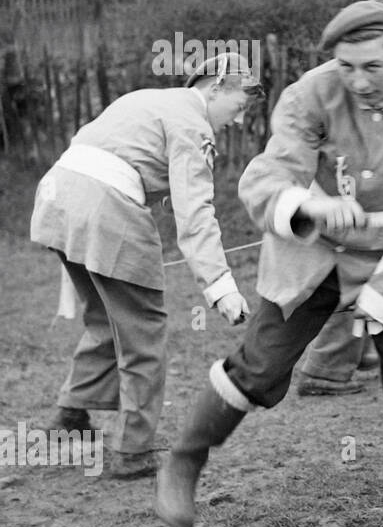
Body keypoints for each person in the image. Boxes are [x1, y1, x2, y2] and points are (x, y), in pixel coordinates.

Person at [155, 0, 383, 527]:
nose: (357, 80)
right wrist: (312, 205)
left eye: (371, 66)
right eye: (346, 66)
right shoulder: (310, 94)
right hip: (311, 254)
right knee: (257, 368)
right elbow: (267, 177)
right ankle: (183, 463)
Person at [29, 56, 257, 479]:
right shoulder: (193, 124)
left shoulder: (149, 100)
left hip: (56, 201)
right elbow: (195, 212)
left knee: (106, 316)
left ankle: (71, 416)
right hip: (105, 211)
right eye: (240, 106)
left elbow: (124, 156)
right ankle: (133, 450)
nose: (239, 120)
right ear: (216, 87)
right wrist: (220, 286)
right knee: (143, 331)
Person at [295, 0, 383, 396]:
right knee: (357, 279)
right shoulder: (327, 90)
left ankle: (361, 352)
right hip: (331, 199)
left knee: (374, 274)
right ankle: (322, 371)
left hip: (366, 203)